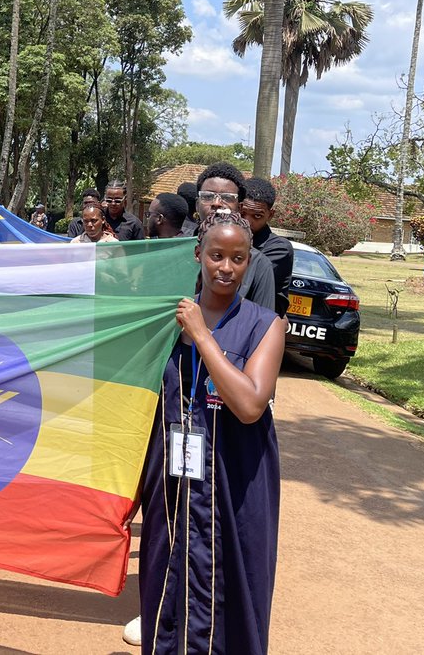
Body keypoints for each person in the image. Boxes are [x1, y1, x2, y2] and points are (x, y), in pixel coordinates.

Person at [138, 211, 285, 654]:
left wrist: (203, 336)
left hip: (235, 480)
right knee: (165, 582)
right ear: (198, 254)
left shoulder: (266, 325)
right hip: (172, 482)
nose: (226, 267)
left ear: (250, 262)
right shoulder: (165, 321)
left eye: (238, 258)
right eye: (217, 255)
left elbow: (249, 404)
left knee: (236, 589)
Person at [196, 163, 276, 313]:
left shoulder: (259, 265)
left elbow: (263, 325)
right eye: (207, 196)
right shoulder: (173, 254)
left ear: (239, 208)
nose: (216, 203)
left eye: (227, 197)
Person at [241, 178, 294, 317]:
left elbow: (246, 279)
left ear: (270, 215)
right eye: (242, 214)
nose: (247, 222)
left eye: (257, 216)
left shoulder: (279, 249)